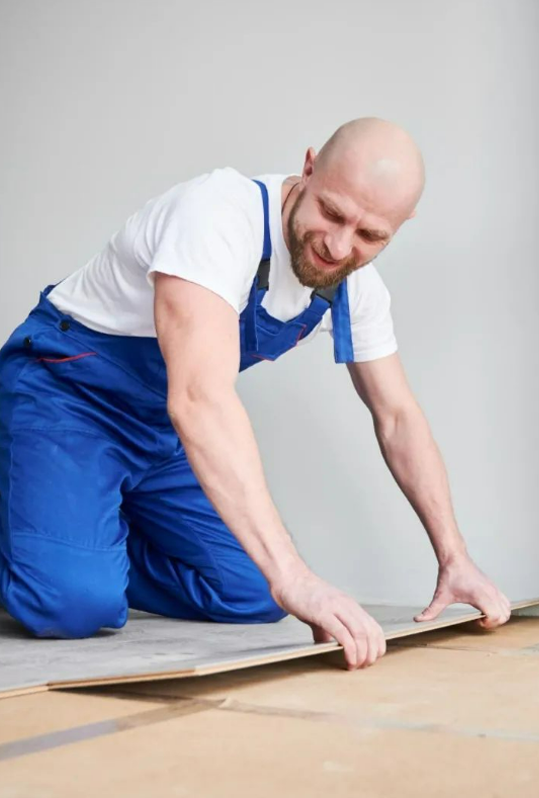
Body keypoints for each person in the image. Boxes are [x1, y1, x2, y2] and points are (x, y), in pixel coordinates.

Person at [0, 117, 511, 671]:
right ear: (309, 167)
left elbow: (398, 417)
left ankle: (66, 524)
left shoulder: (355, 287)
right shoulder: (217, 215)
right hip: (66, 396)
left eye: (370, 236)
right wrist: (296, 576)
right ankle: (50, 532)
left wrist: (454, 557)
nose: (340, 246)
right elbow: (199, 397)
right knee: (70, 604)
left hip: (157, 428)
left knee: (253, 593)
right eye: (332, 213)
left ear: (401, 225)